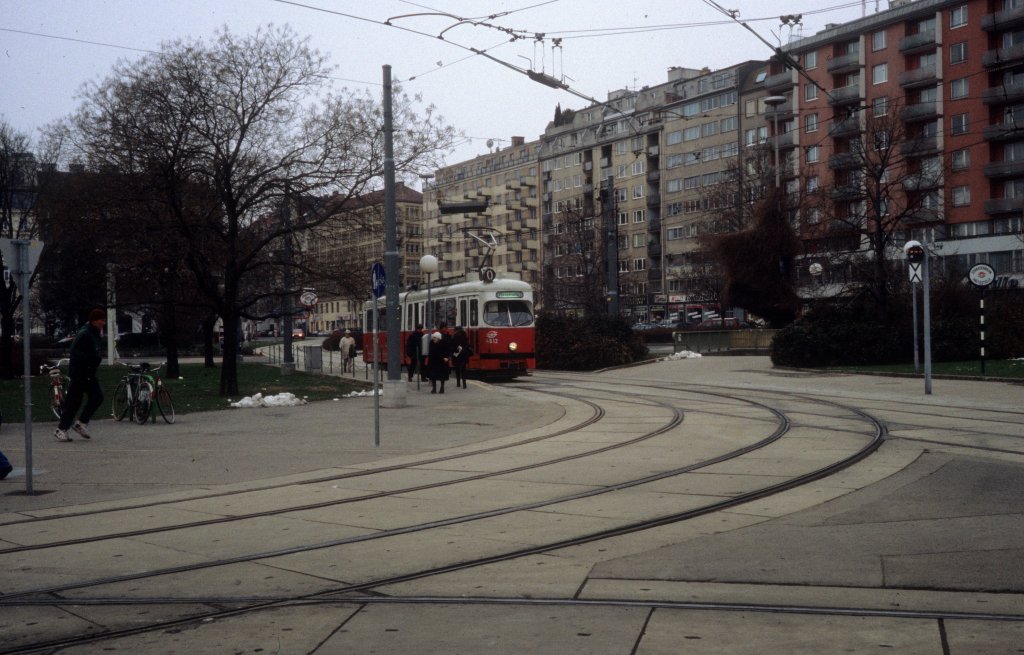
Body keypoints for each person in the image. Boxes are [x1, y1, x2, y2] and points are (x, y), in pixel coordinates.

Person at [55, 308, 106, 442]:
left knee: (97, 397)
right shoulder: (85, 333)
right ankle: (61, 429)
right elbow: (74, 351)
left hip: (89, 372)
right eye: (101, 320)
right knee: (74, 401)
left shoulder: (95, 333)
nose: (104, 323)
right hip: (79, 372)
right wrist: (90, 358)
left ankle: (81, 423)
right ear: (94, 321)